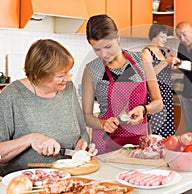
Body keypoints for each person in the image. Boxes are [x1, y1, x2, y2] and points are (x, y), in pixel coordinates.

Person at [0, 39, 97, 176]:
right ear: (38, 75)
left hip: (69, 176)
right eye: (61, 75)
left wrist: (82, 145)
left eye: (68, 73)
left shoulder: (68, 89)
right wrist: (30, 139)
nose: (68, 79)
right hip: (28, 182)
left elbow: (82, 132)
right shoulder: (11, 96)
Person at [82, 14, 163, 154]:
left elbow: (158, 103)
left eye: (108, 46)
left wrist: (144, 109)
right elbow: (86, 116)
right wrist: (102, 123)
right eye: (97, 49)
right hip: (105, 142)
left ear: (118, 37)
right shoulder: (91, 70)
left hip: (140, 140)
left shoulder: (141, 60)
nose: (104, 54)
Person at [142, 23, 181, 138]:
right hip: (155, 95)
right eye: (162, 36)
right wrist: (165, 62)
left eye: (166, 37)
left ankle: (166, 153)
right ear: (154, 36)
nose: (165, 40)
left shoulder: (162, 52)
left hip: (166, 95)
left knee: (167, 130)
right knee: (157, 130)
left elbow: (164, 73)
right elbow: (149, 75)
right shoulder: (146, 52)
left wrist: (174, 65)